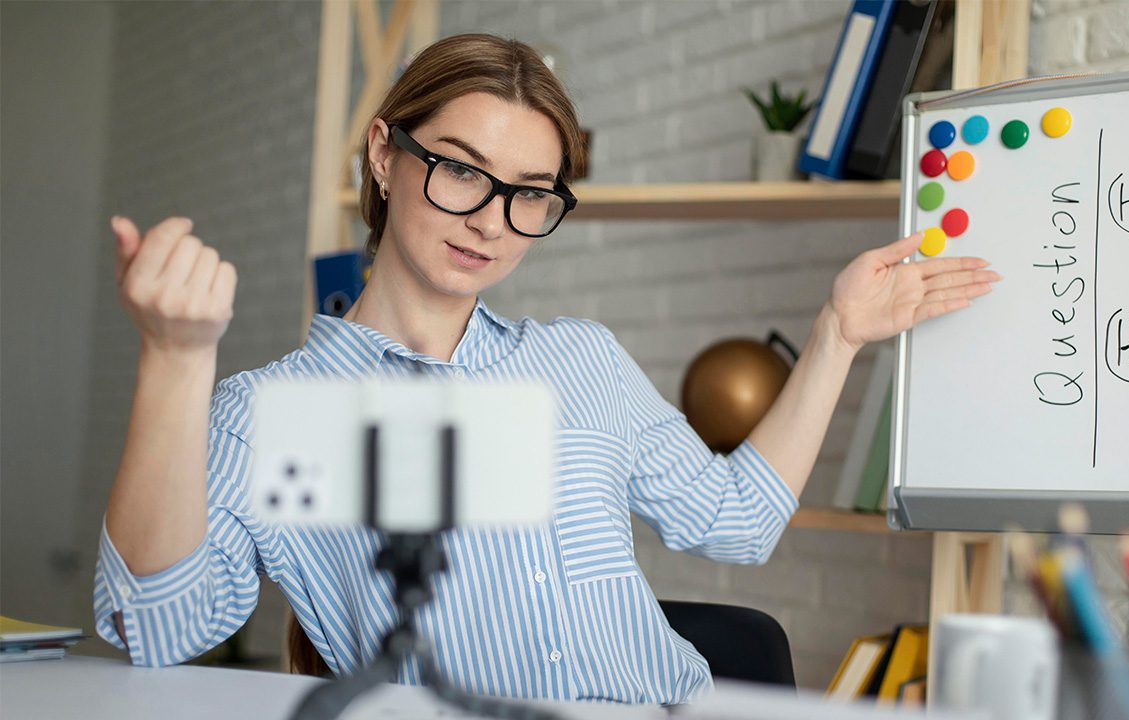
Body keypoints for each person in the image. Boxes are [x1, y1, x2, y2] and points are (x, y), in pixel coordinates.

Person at [95, 33, 998, 704]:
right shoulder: (274, 411)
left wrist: (839, 330)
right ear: (383, 152)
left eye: (531, 193)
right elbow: (158, 630)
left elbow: (738, 523)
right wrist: (176, 360)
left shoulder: (578, 361)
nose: (491, 220)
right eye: (460, 169)